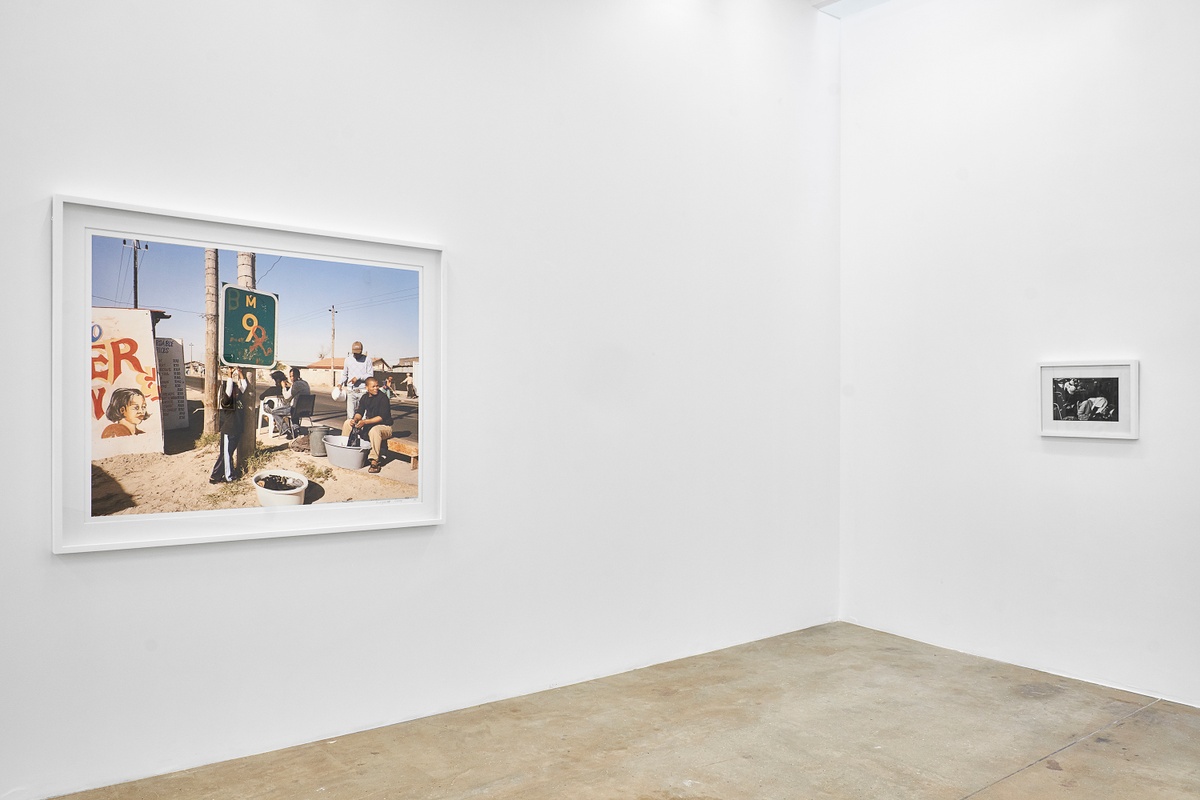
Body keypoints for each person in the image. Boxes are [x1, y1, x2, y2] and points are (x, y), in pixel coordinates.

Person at [341, 376, 392, 473]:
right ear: (367, 388)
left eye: (377, 386)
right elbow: (359, 412)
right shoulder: (364, 397)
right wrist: (355, 420)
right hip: (369, 425)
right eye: (373, 387)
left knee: (374, 431)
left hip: (385, 427)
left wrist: (364, 422)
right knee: (348, 423)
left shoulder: (383, 398)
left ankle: (374, 461)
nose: (376, 388)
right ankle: (345, 451)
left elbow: (381, 417)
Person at [210, 367, 247, 484]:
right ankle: (229, 477)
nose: (236, 392)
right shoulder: (227, 401)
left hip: (237, 431)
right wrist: (230, 375)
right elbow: (229, 389)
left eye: (237, 390)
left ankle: (215, 477)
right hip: (228, 431)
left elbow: (244, 386)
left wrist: (240, 373)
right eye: (234, 390)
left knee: (226, 454)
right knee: (226, 455)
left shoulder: (238, 399)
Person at [268, 367, 313, 438]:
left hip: (295, 410)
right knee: (295, 407)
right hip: (305, 410)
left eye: (293, 376)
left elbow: (286, 397)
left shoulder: (296, 385)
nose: (292, 378)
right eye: (290, 376)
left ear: (297, 376)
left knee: (274, 412)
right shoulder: (305, 383)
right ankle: (295, 429)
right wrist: (291, 386)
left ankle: (286, 430)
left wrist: (283, 387)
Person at [340, 341, 373, 419]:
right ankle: (351, 430)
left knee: (363, 416)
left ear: (361, 351)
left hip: (363, 391)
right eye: (354, 353)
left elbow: (370, 375)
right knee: (350, 416)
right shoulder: (348, 360)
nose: (356, 355)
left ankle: (362, 430)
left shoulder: (367, 360)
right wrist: (340, 383)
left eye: (358, 353)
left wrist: (358, 377)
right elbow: (345, 374)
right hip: (351, 391)